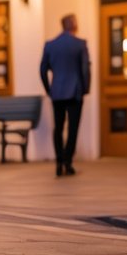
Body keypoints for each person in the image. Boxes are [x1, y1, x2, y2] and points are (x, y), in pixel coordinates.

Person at [40, 14, 91, 177]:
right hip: (75, 92)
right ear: (74, 25)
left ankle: (59, 161)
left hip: (57, 92)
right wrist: (85, 88)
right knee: (73, 128)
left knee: (58, 127)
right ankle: (68, 161)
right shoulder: (80, 44)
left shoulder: (50, 45)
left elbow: (42, 70)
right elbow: (85, 69)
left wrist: (49, 89)